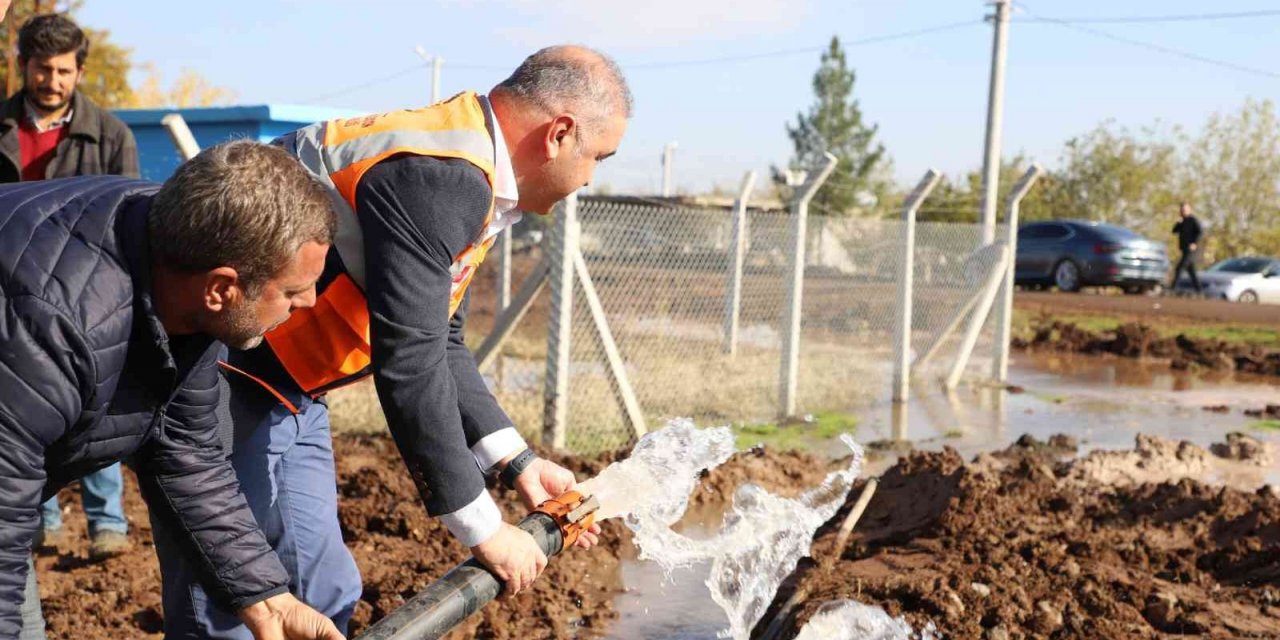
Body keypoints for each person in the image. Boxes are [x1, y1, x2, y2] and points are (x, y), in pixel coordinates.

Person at [153, 45, 632, 638]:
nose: (588, 179)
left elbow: (441, 334)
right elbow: (410, 362)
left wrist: (518, 463)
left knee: (327, 589)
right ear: (559, 133)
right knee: (228, 602)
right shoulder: (443, 177)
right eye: (598, 158)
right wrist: (485, 530)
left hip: (290, 390)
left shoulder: (470, 164)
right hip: (221, 383)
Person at [0, 140, 344, 640]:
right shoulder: (47, 330)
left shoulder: (182, 263)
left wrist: (265, 598)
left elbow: (184, 449)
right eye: (293, 290)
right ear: (221, 288)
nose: (311, 302)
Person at [0, 12, 140, 561]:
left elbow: (131, 214)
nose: (51, 81)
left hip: (88, 292)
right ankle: (42, 519)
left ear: (79, 71)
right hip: (11, 292)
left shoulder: (110, 135)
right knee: (22, 408)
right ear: (22, 66)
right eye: (41, 69)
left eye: (63, 71)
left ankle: (108, 523)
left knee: (95, 407)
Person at [1171, 201, 1203, 294]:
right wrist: (1178, 222)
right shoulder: (1182, 221)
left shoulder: (1193, 220)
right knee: (1191, 272)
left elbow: (1200, 232)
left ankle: (1173, 289)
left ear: (1189, 210)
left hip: (1191, 250)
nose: (1183, 211)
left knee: (1179, 268)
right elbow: (1174, 231)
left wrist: (1194, 243)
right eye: (1181, 210)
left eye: (1184, 210)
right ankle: (1199, 291)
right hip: (1184, 249)